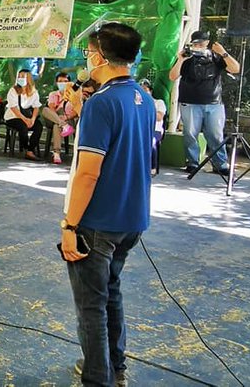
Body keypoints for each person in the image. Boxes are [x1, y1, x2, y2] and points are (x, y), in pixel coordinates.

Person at [60, 23, 154, 387]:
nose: (87, 59)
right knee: (111, 293)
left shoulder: (102, 103)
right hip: (131, 219)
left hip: (98, 221)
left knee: (91, 306)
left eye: (88, 53)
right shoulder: (143, 98)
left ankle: (97, 378)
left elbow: (88, 173)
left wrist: (70, 225)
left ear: (99, 56)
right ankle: (117, 369)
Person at [169, 30, 239, 175]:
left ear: (207, 42)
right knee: (190, 134)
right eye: (196, 43)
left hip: (214, 102)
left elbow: (235, 69)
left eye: (202, 43)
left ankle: (220, 164)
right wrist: (180, 59)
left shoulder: (216, 56)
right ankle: (192, 163)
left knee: (215, 134)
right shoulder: (187, 57)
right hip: (190, 101)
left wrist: (223, 52)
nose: (199, 46)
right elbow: (172, 76)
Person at [5, 69, 44, 161]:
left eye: (23, 76)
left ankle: (31, 149)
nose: (20, 78)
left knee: (38, 126)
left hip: (28, 116)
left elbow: (36, 106)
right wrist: (24, 119)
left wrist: (33, 119)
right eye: (19, 76)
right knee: (23, 127)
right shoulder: (13, 90)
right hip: (13, 117)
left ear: (29, 78)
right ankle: (26, 148)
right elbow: (13, 108)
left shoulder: (34, 92)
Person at [42, 72, 76, 164]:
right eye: (60, 81)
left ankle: (56, 153)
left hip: (69, 119)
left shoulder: (74, 95)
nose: (63, 84)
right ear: (56, 83)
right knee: (45, 110)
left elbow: (76, 111)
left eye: (65, 81)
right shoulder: (53, 94)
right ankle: (63, 125)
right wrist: (59, 118)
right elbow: (51, 109)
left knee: (57, 126)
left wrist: (65, 117)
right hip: (55, 116)